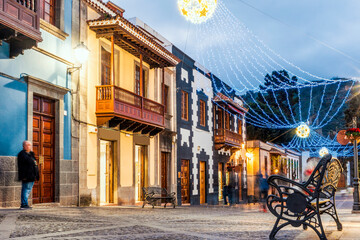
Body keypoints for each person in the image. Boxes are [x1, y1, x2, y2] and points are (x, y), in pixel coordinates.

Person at [18, 141, 39, 209]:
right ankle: (24, 204)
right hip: (27, 176)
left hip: (31, 175)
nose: (29, 146)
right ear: (24, 146)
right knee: (26, 189)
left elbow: (34, 164)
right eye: (28, 145)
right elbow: (26, 165)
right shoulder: (22, 154)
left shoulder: (30, 154)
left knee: (28, 190)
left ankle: (25, 203)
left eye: (30, 145)